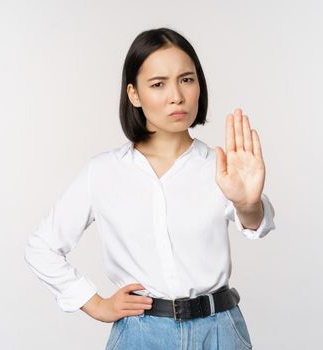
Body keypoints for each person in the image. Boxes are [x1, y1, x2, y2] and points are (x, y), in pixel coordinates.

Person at [23, 27, 276, 350]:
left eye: (187, 79)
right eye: (158, 84)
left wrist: (247, 204)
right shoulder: (103, 172)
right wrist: (94, 303)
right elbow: (41, 246)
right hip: (141, 336)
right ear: (134, 94)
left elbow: (257, 223)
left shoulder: (220, 166)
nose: (177, 96)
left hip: (219, 333)